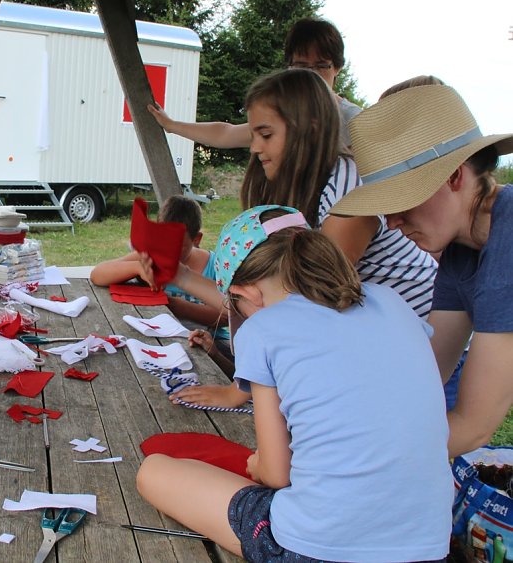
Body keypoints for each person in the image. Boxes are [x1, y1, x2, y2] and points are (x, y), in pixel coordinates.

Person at [136, 206, 452, 562]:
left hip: (311, 547)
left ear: (248, 295)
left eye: (234, 304)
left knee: (154, 472)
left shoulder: (262, 327)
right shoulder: (392, 302)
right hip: (428, 546)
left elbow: (276, 473)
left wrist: (257, 466)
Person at [171, 68, 437, 410]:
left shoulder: (348, 190)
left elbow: (307, 303)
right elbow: (261, 297)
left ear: (309, 127)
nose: (254, 147)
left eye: (266, 135)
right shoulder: (301, 192)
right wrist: (178, 276)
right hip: (376, 343)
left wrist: (242, 390)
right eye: (253, 134)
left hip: (420, 338)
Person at [330, 83, 513, 457]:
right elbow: (427, 374)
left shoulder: (504, 251)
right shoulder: (463, 250)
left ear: (454, 177)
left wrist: (344, 461)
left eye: (402, 201)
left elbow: (473, 424)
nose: (393, 222)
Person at [147, 17, 362, 149]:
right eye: (302, 67)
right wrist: (172, 125)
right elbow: (225, 134)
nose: (311, 76)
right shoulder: (281, 114)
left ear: (338, 67)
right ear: (289, 67)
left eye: (321, 66)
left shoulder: (355, 121)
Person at [89, 196, 234, 374]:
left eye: (176, 245)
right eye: (162, 243)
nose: (167, 251)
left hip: (209, 341)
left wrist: (177, 307)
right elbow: (97, 274)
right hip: (159, 339)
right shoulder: (151, 256)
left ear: (197, 239)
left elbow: (228, 317)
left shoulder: (214, 266)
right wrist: (137, 267)